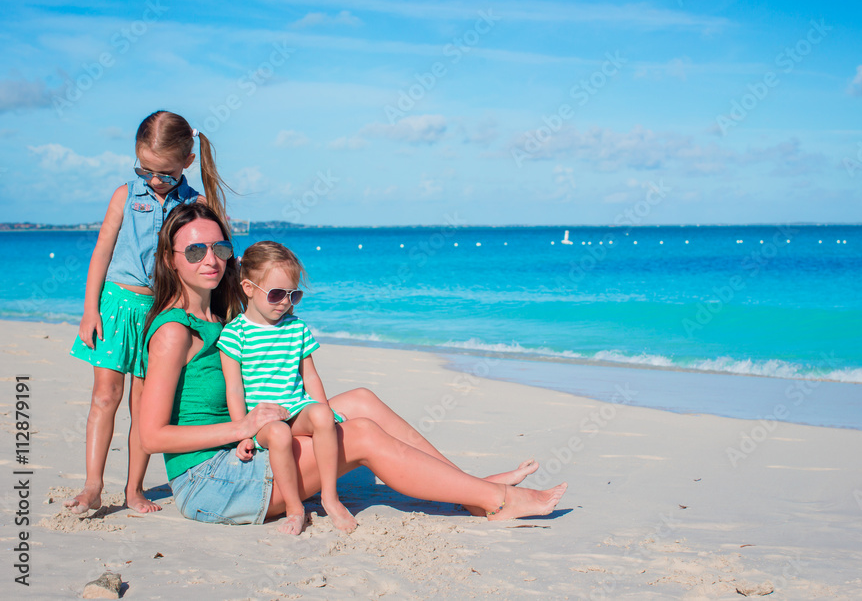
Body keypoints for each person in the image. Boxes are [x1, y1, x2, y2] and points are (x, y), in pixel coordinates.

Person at [139, 202, 567, 528]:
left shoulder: (221, 315)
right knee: (359, 435)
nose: (210, 258)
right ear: (170, 258)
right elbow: (150, 435)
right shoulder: (175, 331)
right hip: (212, 482)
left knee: (361, 401)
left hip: (246, 451)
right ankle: (497, 498)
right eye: (194, 250)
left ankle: (471, 489)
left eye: (219, 247)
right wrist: (241, 428)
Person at [66, 111, 230, 515]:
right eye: (145, 169)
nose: (154, 179)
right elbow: (102, 252)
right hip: (117, 305)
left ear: (187, 163)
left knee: (143, 407)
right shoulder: (126, 194)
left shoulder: (195, 204)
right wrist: (90, 310)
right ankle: (92, 485)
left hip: (160, 313)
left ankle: (133, 488)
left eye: (166, 173)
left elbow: (219, 256)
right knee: (105, 396)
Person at [218, 240, 356, 535]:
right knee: (279, 432)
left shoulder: (297, 328)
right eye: (277, 294)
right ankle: (295, 507)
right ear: (249, 288)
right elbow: (234, 389)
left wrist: (324, 409)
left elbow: (311, 377)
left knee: (321, 415)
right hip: (262, 418)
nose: (285, 302)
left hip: (295, 406)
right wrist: (241, 431)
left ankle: (330, 496)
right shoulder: (235, 334)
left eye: (294, 295)